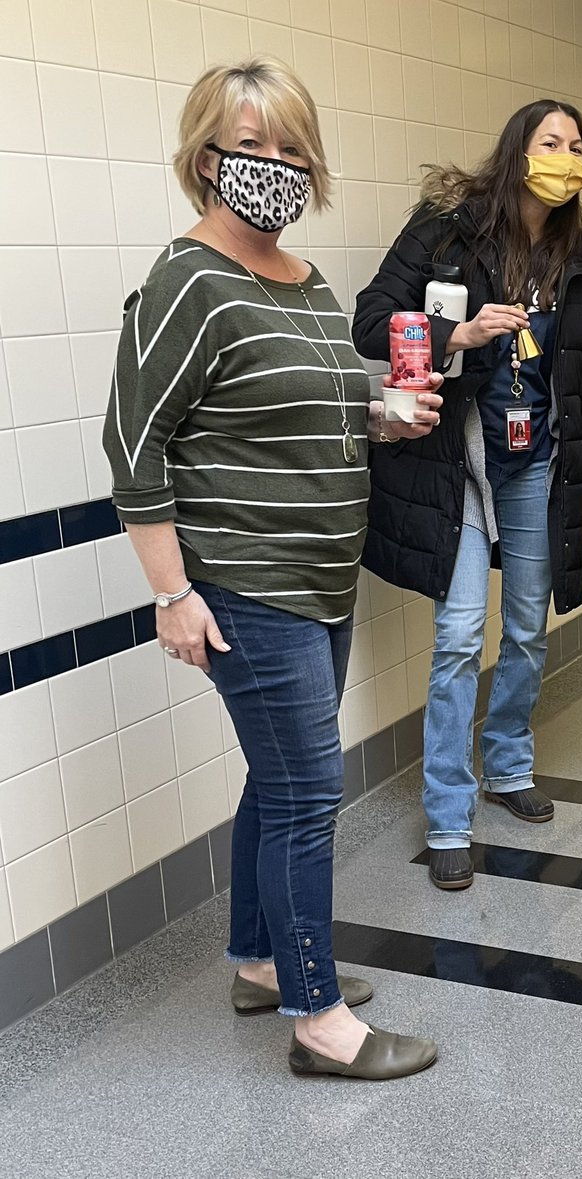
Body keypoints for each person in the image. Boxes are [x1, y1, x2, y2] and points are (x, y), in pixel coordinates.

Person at [102, 57, 442, 1081]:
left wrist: (381, 414)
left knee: (281, 779)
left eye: (293, 148)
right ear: (205, 154)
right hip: (249, 588)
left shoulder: (304, 277)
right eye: (252, 146)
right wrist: (172, 593)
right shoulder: (188, 278)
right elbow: (133, 443)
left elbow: (312, 412)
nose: (275, 167)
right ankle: (318, 1018)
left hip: (321, 583)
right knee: (309, 793)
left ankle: (258, 960)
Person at [353, 100, 582, 891]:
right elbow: (370, 321)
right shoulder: (448, 228)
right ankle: (446, 815)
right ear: (517, 151)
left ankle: (506, 764)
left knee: (529, 625)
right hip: (455, 457)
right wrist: (455, 336)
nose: (566, 156)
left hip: (535, 460)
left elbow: (581, 381)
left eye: (576, 144)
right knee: (463, 633)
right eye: (550, 142)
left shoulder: (578, 255)